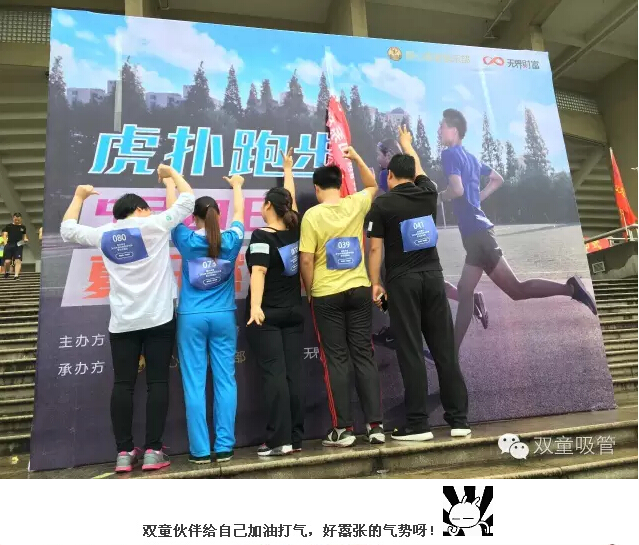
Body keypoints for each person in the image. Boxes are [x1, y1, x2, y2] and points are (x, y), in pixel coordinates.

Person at [59, 164, 195, 473]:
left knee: (123, 384)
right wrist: (172, 173)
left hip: (122, 322)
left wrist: (79, 197)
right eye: (148, 209)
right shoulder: (154, 225)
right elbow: (188, 200)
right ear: (140, 209)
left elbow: (67, 230)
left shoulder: (105, 233)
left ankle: (123, 452)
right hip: (159, 318)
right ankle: (153, 451)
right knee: (157, 382)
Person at [437, 108, 597, 353]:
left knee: (516, 290)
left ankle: (571, 288)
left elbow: (457, 190)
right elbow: (498, 178)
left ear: (454, 130)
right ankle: (451, 355)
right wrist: (478, 198)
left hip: (478, 237)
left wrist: (440, 196)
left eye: (442, 126)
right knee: (466, 291)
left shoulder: (449, 154)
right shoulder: (471, 158)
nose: (439, 129)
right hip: (477, 236)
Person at [366, 125, 470, 441]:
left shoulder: (382, 205)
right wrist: (407, 144)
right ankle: (459, 420)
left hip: (402, 283)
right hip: (434, 280)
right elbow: (420, 170)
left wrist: (375, 283)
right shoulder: (428, 193)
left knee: (410, 352)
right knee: (445, 352)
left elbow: (375, 249)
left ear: (390, 176)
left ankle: (418, 425)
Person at [299, 146, 384, 447]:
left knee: (335, 359)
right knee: (363, 354)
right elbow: (373, 186)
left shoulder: (312, 215)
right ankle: (375, 426)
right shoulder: (355, 203)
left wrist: (311, 291)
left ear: (317, 188)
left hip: (326, 295)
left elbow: (306, 260)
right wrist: (358, 158)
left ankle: (343, 430)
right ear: (340, 184)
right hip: (359, 289)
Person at [171, 174, 245, 464]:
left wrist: (170, 184)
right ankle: (225, 447)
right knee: (226, 380)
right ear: (217, 214)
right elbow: (239, 214)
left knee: (194, 383)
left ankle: (200, 451)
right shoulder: (231, 240)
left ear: (195, 217)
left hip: (191, 318)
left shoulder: (187, 240)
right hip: (224, 317)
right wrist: (237, 186)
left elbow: (172, 214)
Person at [245, 148, 304, 457]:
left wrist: (255, 307)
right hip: (294, 312)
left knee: (275, 376)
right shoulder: (294, 230)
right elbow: (290, 201)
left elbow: (258, 271)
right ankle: (294, 437)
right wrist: (288, 171)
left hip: (267, 315)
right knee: (293, 374)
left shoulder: (261, 236)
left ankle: (278, 439)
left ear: (268, 206)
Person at [2, 213, 28, 280]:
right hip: (9, 244)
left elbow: (24, 236)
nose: (17, 221)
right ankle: (7, 272)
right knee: (7, 261)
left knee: (18, 260)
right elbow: (4, 235)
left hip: (18, 245)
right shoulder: (8, 226)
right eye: (15, 219)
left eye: (18, 219)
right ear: (13, 218)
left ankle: (16, 275)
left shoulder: (23, 227)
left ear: (21, 219)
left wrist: (25, 239)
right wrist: (5, 244)